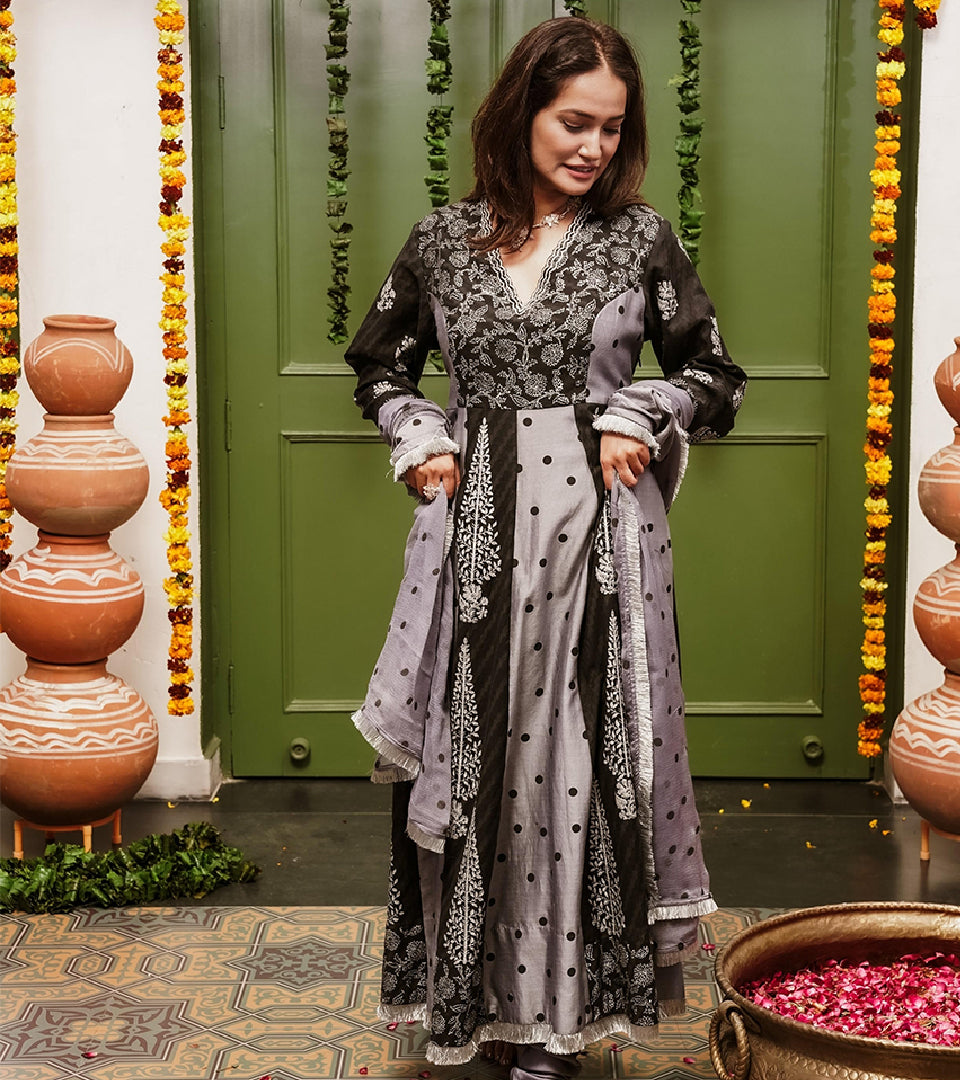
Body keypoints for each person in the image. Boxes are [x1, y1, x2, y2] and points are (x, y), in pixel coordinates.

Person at [345, 16, 747, 1074]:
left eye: (613, 130)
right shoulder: (443, 242)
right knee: (480, 758)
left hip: (604, 541)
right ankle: (477, 1005)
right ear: (521, 110)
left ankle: (560, 1027)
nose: (594, 148)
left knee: (578, 760)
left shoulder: (639, 240)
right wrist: (417, 433)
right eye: (576, 122)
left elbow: (716, 374)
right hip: (474, 538)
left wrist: (647, 404)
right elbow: (380, 367)